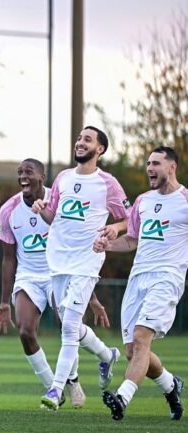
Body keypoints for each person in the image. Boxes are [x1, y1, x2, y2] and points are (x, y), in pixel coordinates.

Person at [0, 158, 109, 408]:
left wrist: (92, 298)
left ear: (42, 177)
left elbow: (76, 246)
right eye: (20, 172)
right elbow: (8, 258)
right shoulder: (8, 210)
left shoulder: (59, 201)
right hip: (29, 277)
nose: (23, 176)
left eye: (29, 172)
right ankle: (53, 388)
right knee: (25, 331)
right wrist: (3, 303)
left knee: (68, 326)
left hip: (60, 271)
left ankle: (84, 371)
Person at [32, 126, 130, 410]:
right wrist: (41, 208)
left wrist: (115, 228)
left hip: (87, 260)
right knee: (71, 326)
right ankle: (107, 355)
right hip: (58, 261)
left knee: (69, 328)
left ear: (100, 149)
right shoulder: (63, 177)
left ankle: (55, 389)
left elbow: (130, 219)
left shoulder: (108, 183)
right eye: (78, 138)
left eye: (87, 139)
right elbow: (54, 217)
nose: (80, 143)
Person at [94, 146, 185, 421]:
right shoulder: (143, 201)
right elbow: (132, 240)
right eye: (147, 164)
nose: (149, 168)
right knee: (134, 351)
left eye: (156, 163)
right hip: (137, 279)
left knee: (142, 338)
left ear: (172, 167)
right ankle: (171, 385)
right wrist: (107, 245)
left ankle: (122, 397)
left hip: (167, 278)